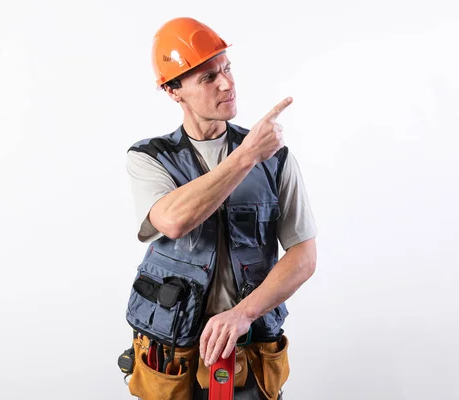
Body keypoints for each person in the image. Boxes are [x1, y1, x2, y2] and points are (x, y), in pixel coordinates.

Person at [124, 17, 317, 400]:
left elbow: (304, 257)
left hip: (249, 350)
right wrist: (245, 157)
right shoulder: (149, 158)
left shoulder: (274, 158)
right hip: (171, 356)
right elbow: (174, 221)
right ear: (173, 90)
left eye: (227, 69)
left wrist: (243, 313)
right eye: (208, 78)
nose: (227, 83)